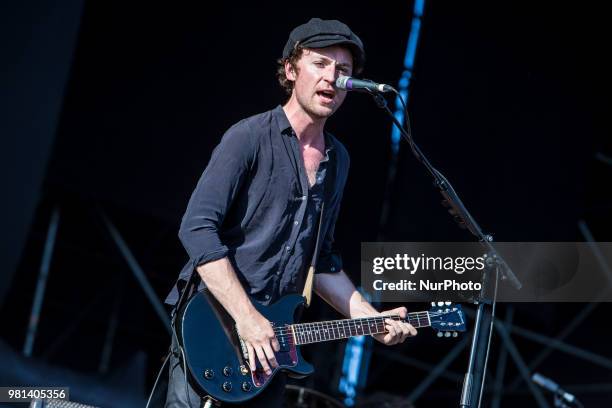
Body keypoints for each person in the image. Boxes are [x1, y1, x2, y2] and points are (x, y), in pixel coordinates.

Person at [163, 18, 417, 407]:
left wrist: (371, 318)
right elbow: (197, 230)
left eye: (344, 70)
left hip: (277, 341)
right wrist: (247, 318)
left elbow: (324, 262)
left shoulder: (338, 160)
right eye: (320, 63)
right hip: (216, 324)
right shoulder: (248, 137)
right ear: (290, 69)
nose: (332, 78)